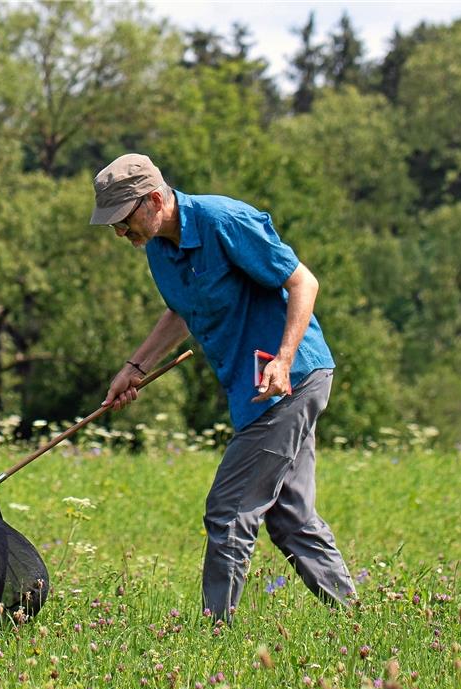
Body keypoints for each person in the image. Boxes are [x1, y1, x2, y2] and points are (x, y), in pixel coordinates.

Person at [92, 153, 355, 621]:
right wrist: (136, 365)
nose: (119, 234)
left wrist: (283, 359)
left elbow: (303, 283)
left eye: (123, 220)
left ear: (154, 200)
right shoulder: (159, 248)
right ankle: (356, 618)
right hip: (253, 390)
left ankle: (215, 635)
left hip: (287, 381)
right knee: (290, 517)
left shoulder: (224, 220)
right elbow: (181, 311)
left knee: (228, 510)